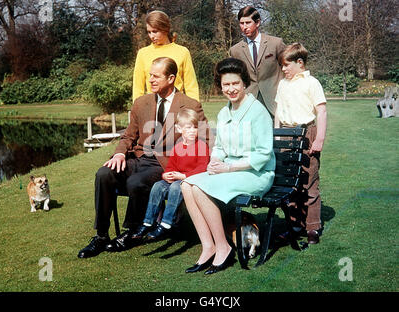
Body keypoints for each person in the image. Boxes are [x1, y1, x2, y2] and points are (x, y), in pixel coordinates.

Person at [78, 57, 211, 259]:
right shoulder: (141, 103)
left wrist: (184, 172)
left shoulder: (190, 105)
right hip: (138, 158)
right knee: (104, 173)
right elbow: (129, 135)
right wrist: (120, 153)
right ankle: (101, 236)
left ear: (171, 78)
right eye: (150, 75)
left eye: (156, 76)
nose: (150, 80)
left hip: (165, 164)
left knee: (136, 182)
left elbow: (204, 141)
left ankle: (132, 232)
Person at [181, 58, 275, 275]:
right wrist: (215, 162)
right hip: (230, 171)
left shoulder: (258, 111)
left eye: (235, 83)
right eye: (226, 85)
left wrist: (228, 169)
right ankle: (209, 246)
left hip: (256, 173)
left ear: (244, 84)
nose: (231, 89)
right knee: (187, 184)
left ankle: (223, 247)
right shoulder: (224, 114)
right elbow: (221, 147)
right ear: (220, 86)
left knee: (200, 188)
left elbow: (262, 155)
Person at [274, 42, 327, 245]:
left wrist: (319, 139)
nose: (284, 69)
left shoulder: (311, 83)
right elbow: (278, 112)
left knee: (309, 183)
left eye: (287, 65)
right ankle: (295, 226)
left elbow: (321, 111)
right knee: (291, 185)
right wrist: (278, 136)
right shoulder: (283, 84)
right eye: (282, 66)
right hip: (287, 134)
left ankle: (313, 227)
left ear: (300, 63)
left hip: (307, 132)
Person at [131, 108, 210, 241]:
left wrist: (183, 177)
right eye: (188, 128)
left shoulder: (201, 146)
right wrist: (166, 175)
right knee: (158, 185)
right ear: (179, 129)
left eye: (195, 127)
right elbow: (171, 167)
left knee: (175, 187)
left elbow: (203, 168)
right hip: (177, 179)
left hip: (192, 181)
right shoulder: (177, 148)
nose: (192, 131)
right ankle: (148, 222)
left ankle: (166, 223)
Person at [229, 6, 285, 117]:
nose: (244, 27)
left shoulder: (276, 43)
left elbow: (288, 68)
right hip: (249, 103)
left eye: (248, 23)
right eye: (241, 23)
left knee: (278, 134)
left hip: (276, 102)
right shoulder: (235, 50)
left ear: (257, 22)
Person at [132, 10, 199, 102]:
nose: (151, 36)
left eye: (155, 31)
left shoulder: (182, 52)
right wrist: (137, 109)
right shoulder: (143, 53)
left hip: (176, 106)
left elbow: (191, 86)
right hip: (152, 106)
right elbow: (137, 87)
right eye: (149, 32)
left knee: (170, 117)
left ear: (165, 29)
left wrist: (194, 110)